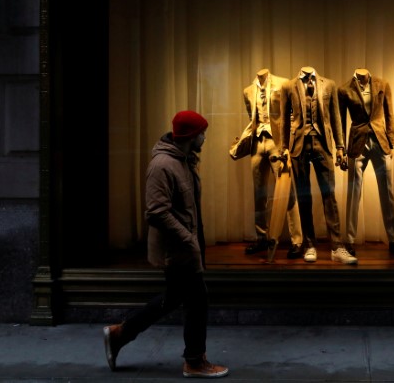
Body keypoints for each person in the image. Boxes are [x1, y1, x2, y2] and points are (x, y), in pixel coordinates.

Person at [103, 110, 228, 378]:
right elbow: (156, 212)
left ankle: (120, 334)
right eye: (202, 133)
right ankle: (194, 361)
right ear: (191, 136)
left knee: (176, 298)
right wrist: (188, 239)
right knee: (197, 300)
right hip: (177, 249)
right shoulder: (162, 165)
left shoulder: (184, 160)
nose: (205, 138)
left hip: (187, 246)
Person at [279, 66, 357, 264]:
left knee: (329, 195)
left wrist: (340, 146)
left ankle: (337, 247)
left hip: (323, 144)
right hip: (298, 146)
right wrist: (284, 147)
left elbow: (336, 118)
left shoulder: (328, 84)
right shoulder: (288, 86)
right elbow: (284, 122)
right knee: (304, 197)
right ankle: (309, 244)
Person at [338, 69, 394, 257]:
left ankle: (393, 239)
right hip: (357, 141)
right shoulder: (344, 90)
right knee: (353, 193)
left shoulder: (382, 84)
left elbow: (390, 114)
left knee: (387, 191)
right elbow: (340, 121)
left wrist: (391, 142)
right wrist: (341, 148)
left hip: (380, 141)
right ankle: (349, 240)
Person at [241, 68, 303, 259]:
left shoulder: (283, 83)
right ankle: (262, 237)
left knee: (288, 192)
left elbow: (293, 114)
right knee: (259, 193)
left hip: (279, 143)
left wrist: (288, 142)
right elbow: (252, 118)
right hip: (258, 143)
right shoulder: (247, 91)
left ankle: (297, 241)